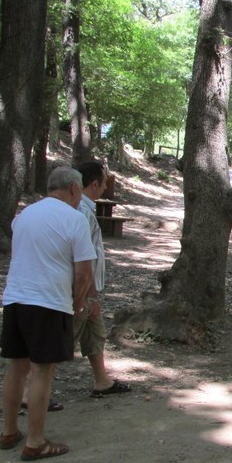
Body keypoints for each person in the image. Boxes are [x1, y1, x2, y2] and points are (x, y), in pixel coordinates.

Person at [0, 167, 97, 460]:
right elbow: (84, 272)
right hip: (48, 302)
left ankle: (8, 431)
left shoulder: (23, 216)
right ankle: (36, 441)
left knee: (16, 367)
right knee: (42, 370)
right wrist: (77, 302)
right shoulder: (75, 219)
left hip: (15, 299)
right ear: (73, 189)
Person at [75, 161, 132, 397]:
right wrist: (87, 296)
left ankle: (102, 380)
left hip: (89, 289)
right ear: (95, 183)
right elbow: (82, 261)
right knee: (62, 338)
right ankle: (31, 390)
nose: (107, 183)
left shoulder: (86, 209)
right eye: (105, 179)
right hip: (80, 291)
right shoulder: (80, 212)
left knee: (96, 332)